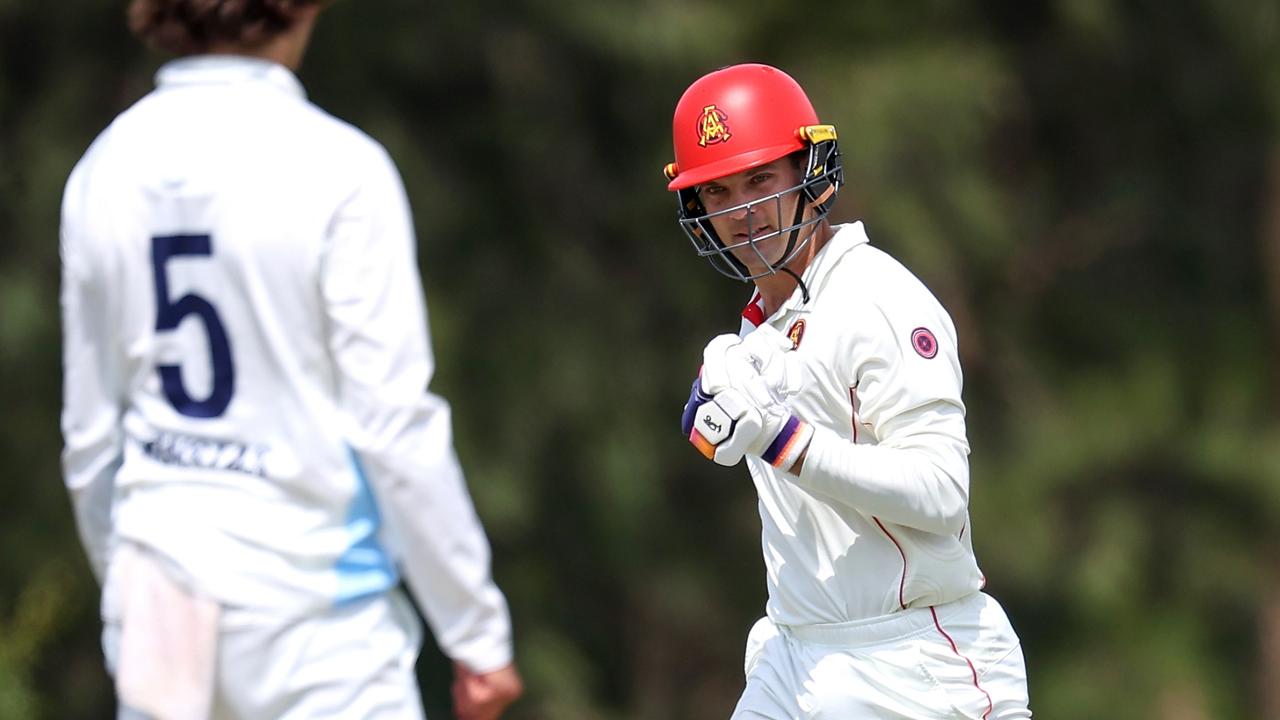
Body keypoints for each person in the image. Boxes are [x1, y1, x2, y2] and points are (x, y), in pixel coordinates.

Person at [59, 1, 522, 718]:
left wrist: (127, 582)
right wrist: (476, 631)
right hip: (317, 616)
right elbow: (394, 426)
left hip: (157, 591)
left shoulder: (101, 169)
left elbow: (90, 442)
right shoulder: (342, 168)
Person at [666, 63, 1031, 718]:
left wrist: (786, 442)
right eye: (718, 192)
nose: (743, 213)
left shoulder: (878, 298)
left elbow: (943, 493)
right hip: (794, 655)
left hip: (913, 664)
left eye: (759, 180)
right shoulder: (757, 330)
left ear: (811, 173)